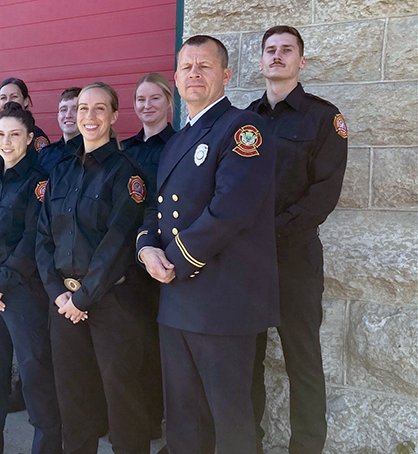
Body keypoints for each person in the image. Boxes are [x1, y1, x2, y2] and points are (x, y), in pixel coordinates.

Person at [136, 35, 279, 453]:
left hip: (222, 301)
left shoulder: (243, 128)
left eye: (205, 66)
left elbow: (231, 209)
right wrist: (147, 249)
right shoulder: (179, 140)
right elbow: (155, 209)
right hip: (177, 301)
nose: (194, 73)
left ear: (226, 75)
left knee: (230, 419)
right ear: (176, 79)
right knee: (183, 418)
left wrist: (174, 259)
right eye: (186, 67)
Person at [247, 25, 348, 454]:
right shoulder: (244, 120)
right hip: (246, 262)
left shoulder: (324, 118)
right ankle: (247, 441)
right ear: (261, 61)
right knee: (245, 362)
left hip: (294, 259)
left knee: (302, 361)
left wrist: (267, 231)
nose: (277, 56)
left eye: (287, 50)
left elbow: (323, 195)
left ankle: (306, 448)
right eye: (270, 50)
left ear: (300, 62)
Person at [36, 82, 149, 454]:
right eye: (83, 109)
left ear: (115, 116)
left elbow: (116, 244)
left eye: (100, 109)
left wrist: (82, 298)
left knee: (122, 399)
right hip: (64, 304)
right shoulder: (60, 171)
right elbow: (43, 239)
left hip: (110, 302)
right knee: (73, 396)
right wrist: (58, 294)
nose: (89, 116)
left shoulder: (127, 175)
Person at [0, 103, 61, 454]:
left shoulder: (39, 184)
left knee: (35, 378)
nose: (6, 141)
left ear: (30, 138)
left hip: (22, 293)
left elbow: (34, 238)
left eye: (15, 134)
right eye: (0, 134)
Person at [120, 73, 177, 440]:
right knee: (131, 345)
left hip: (165, 260)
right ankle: (134, 421)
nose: (146, 106)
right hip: (126, 260)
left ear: (169, 103)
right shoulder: (125, 149)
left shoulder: (179, 145)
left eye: (154, 98)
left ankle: (159, 419)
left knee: (161, 348)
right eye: (140, 99)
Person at [0, 78, 50, 170]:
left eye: (14, 96)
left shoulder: (37, 137)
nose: (8, 101)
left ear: (26, 101)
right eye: (3, 98)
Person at [36, 87, 83, 173]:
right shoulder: (46, 154)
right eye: (63, 110)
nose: (68, 115)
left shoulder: (92, 154)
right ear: (58, 116)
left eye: (75, 109)